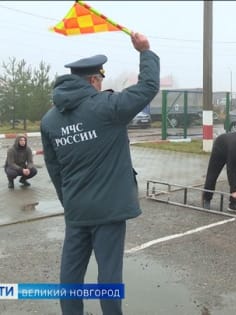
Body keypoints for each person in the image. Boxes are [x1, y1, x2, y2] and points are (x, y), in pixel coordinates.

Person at [40, 32, 159, 315]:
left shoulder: (49, 120)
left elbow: (54, 170)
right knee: (108, 278)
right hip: (109, 211)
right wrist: (145, 51)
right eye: (100, 80)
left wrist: (69, 201)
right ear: (94, 80)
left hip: (76, 209)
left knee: (70, 276)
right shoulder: (107, 107)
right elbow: (148, 87)